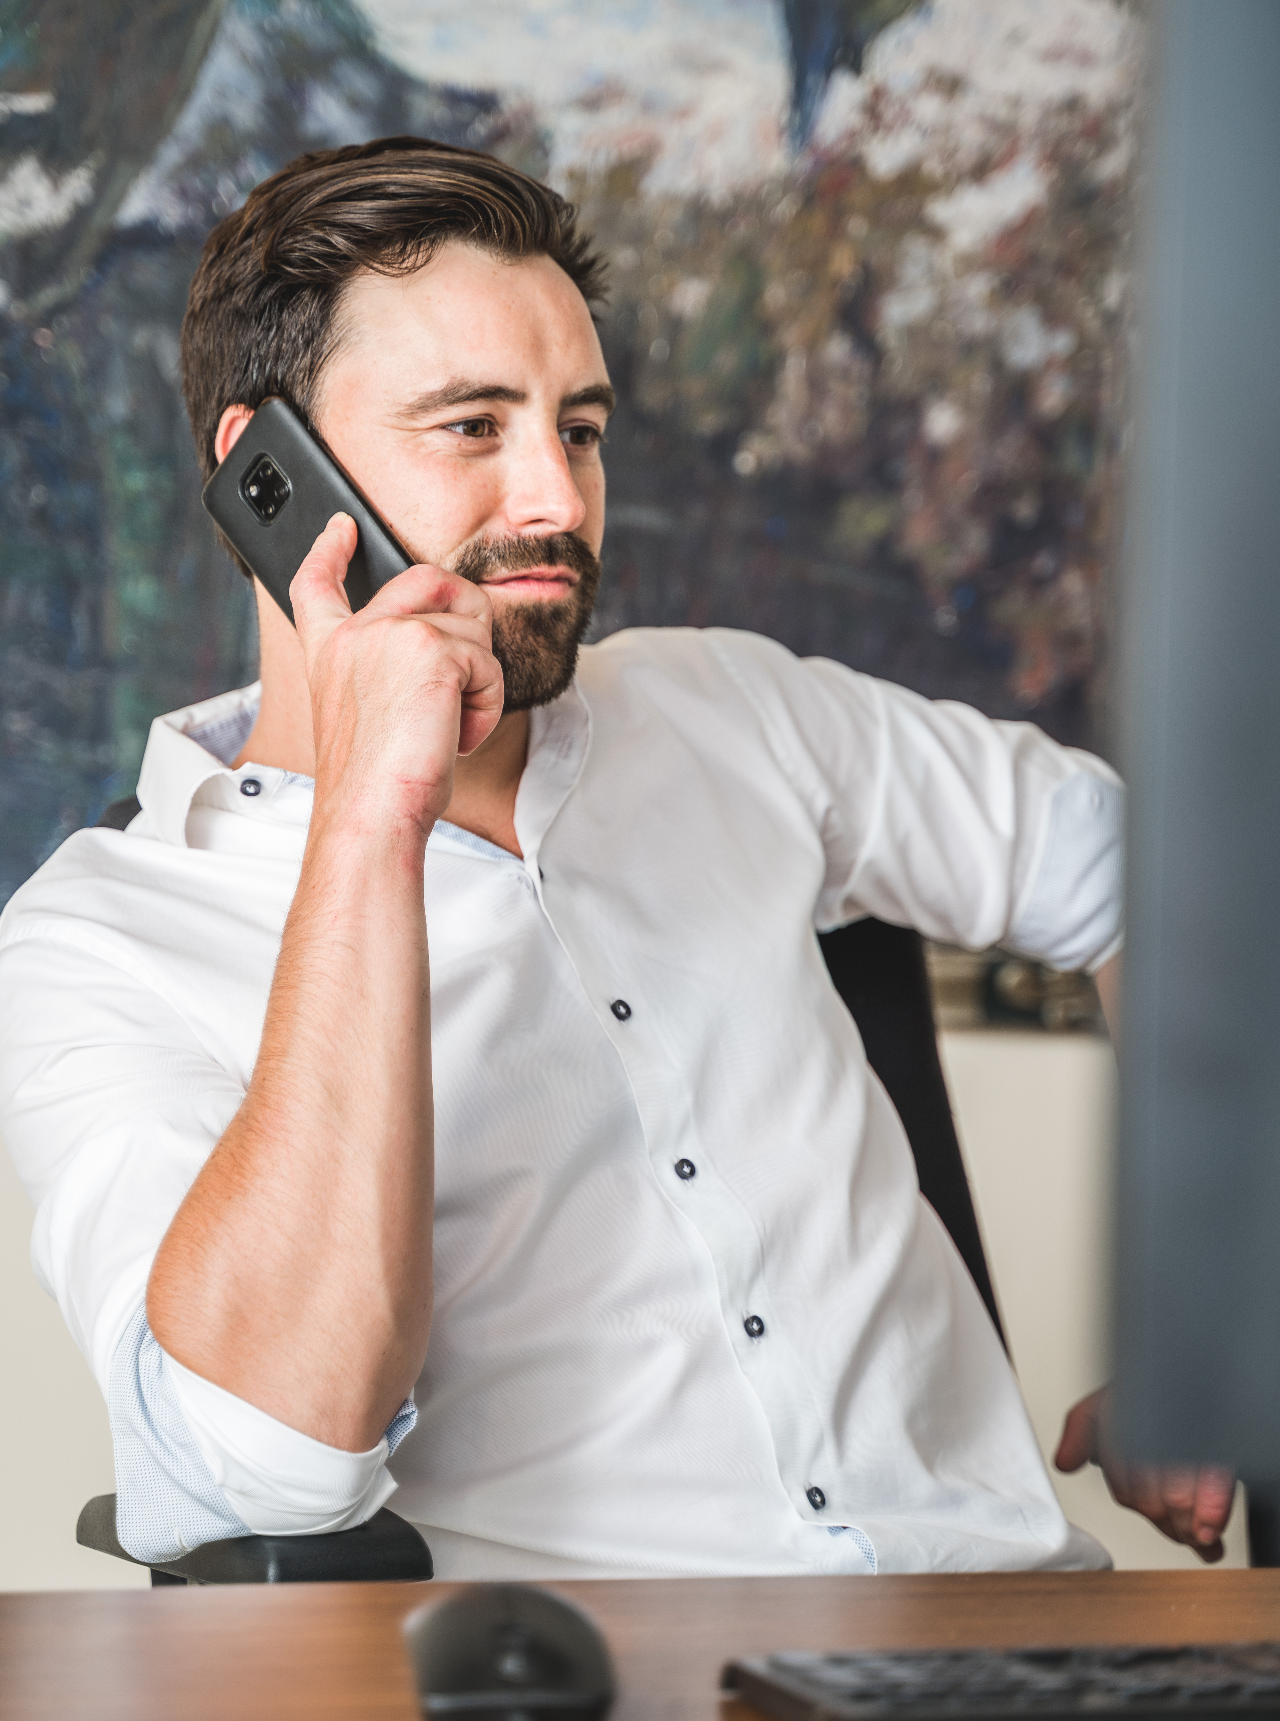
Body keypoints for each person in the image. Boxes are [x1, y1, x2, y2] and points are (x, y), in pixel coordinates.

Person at [0, 138, 1234, 1578]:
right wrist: (370, 820)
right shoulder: (97, 941)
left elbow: (1173, 884)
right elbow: (267, 1461)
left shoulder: (732, 708)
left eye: (577, 429)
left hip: (1013, 1646)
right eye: (473, 427)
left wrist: (1206, 1317)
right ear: (266, 477)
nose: (558, 503)